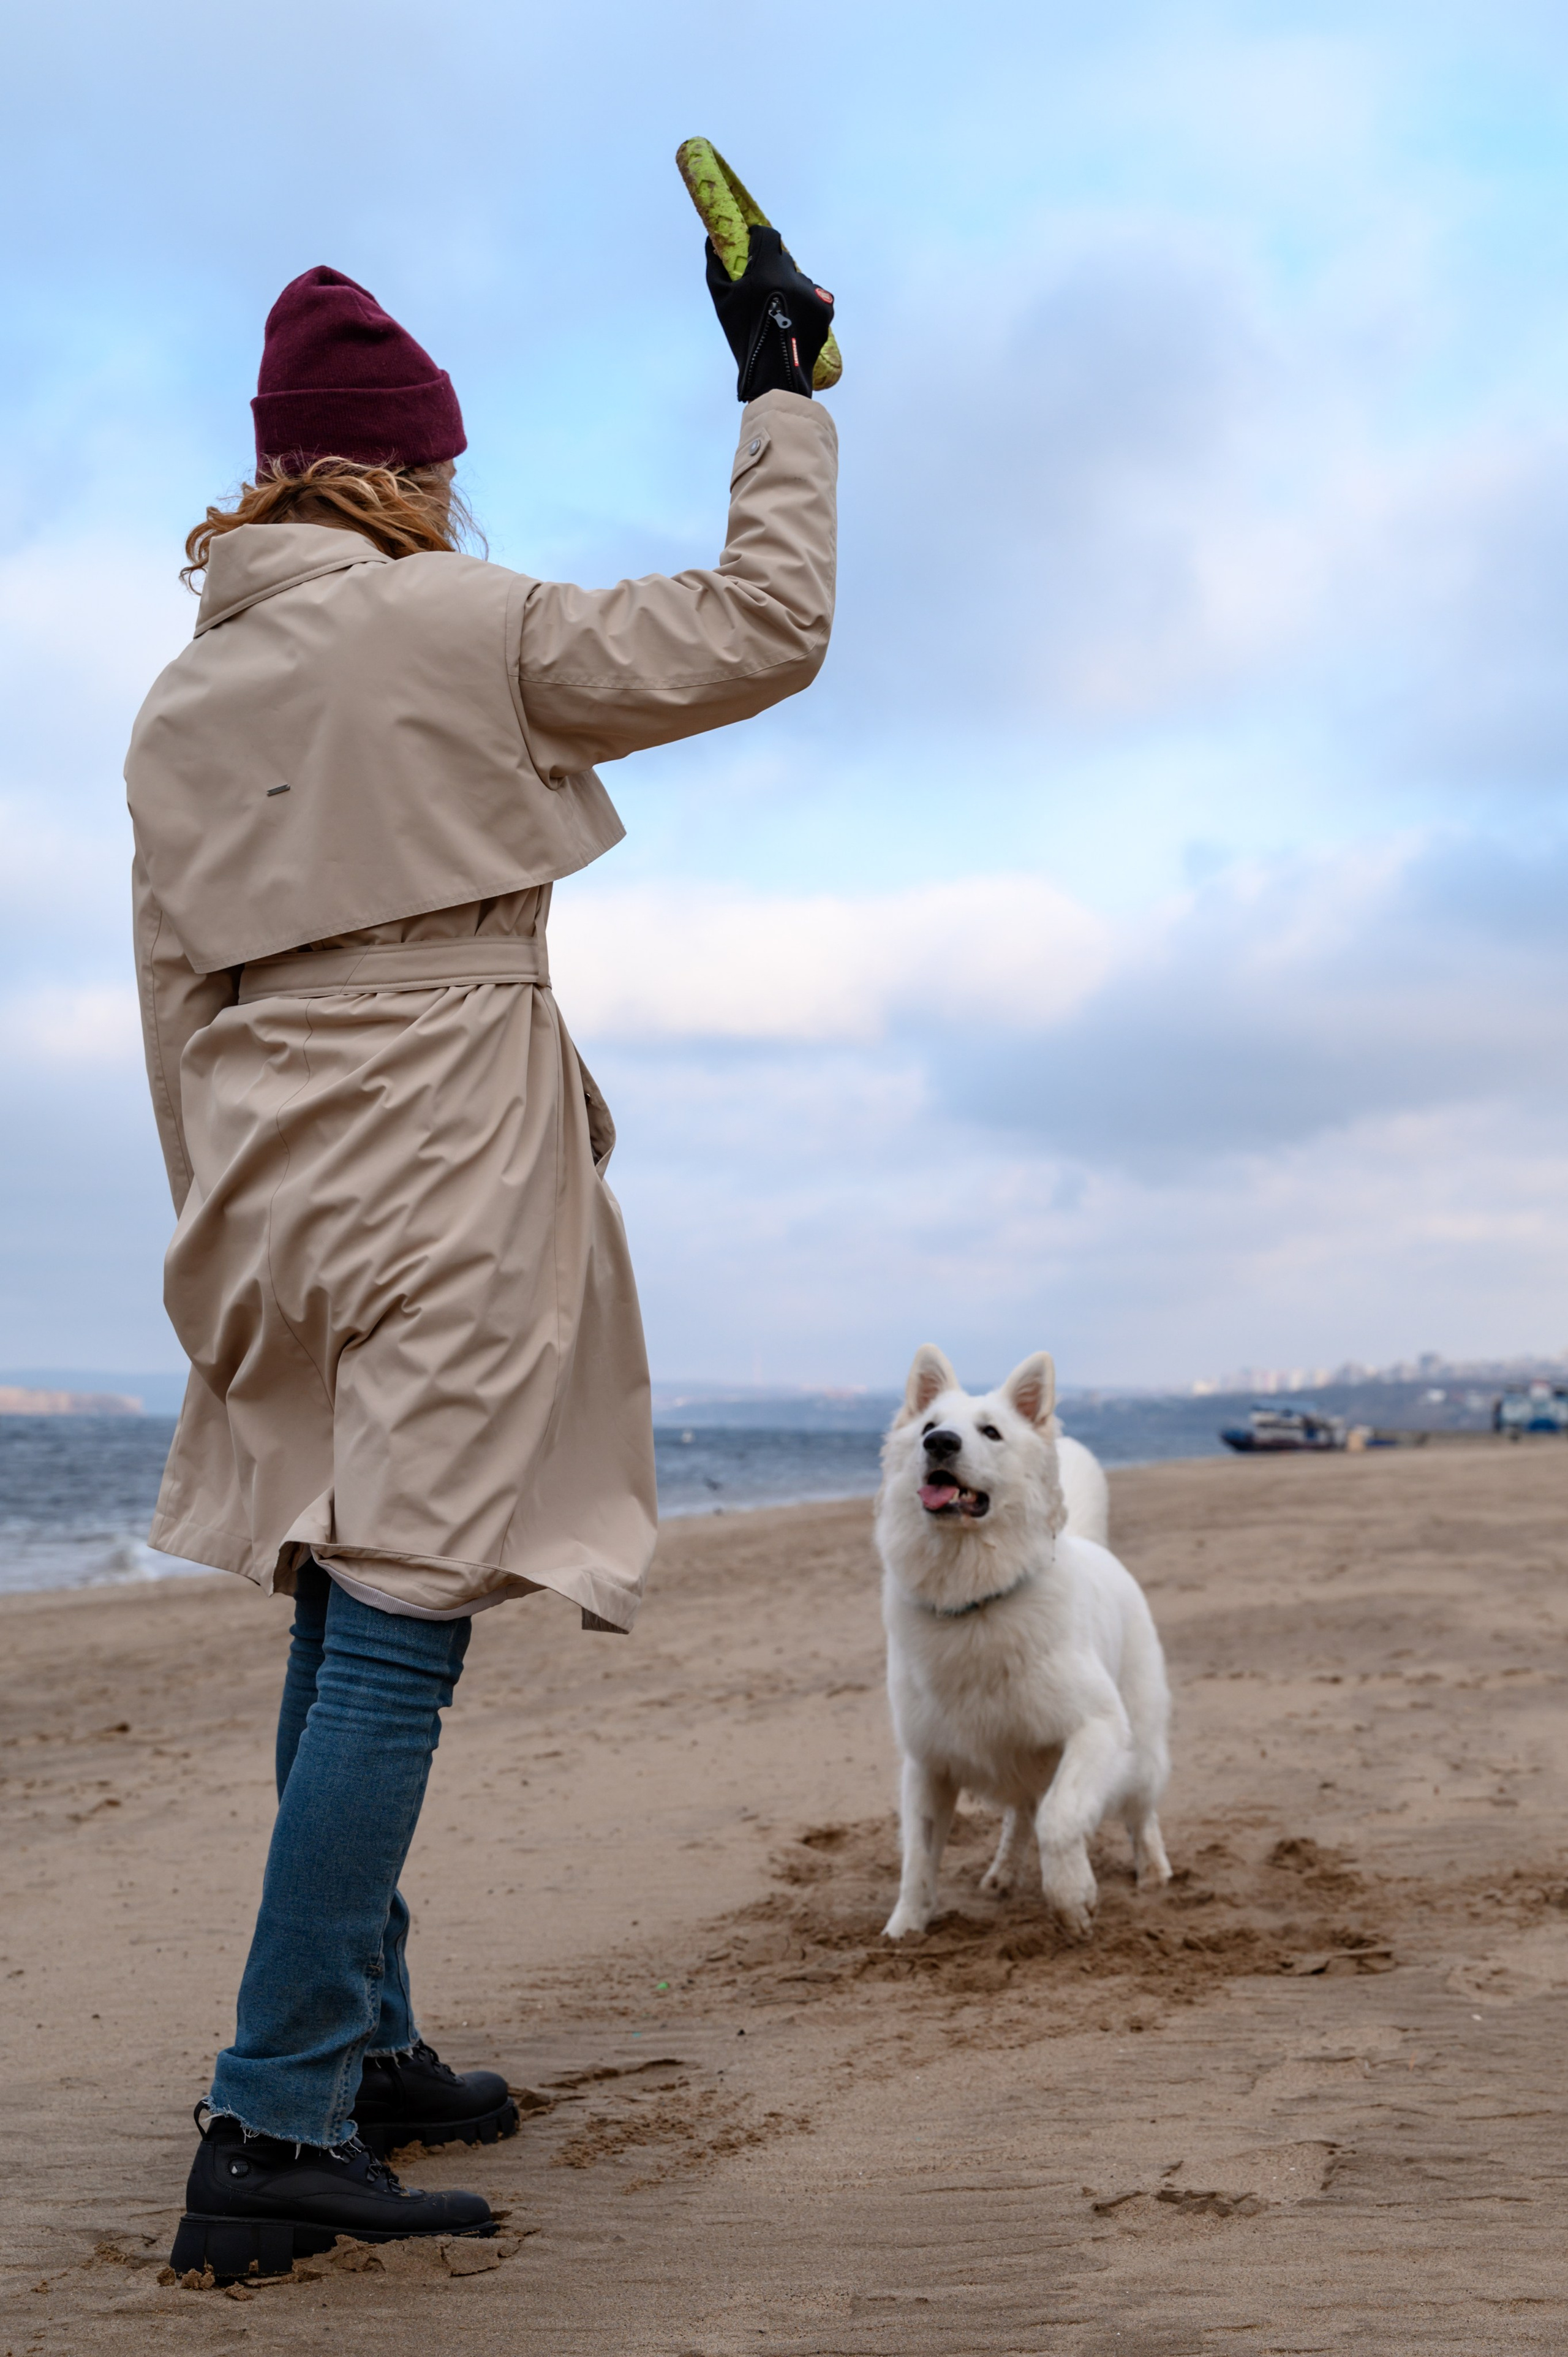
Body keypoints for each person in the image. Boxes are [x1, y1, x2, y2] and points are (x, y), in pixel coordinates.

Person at [127, 236, 837, 2280]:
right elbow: (766, 623)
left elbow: (169, 990)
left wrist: (215, 1230)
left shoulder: (184, 694)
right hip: (441, 1145)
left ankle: (356, 2043)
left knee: (337, 1583)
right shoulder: (455, 623)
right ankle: (272, 2122)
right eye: (446, 468)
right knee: (409, 1611)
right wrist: (782, 395)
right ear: (410, 472)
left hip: (268, 1164)